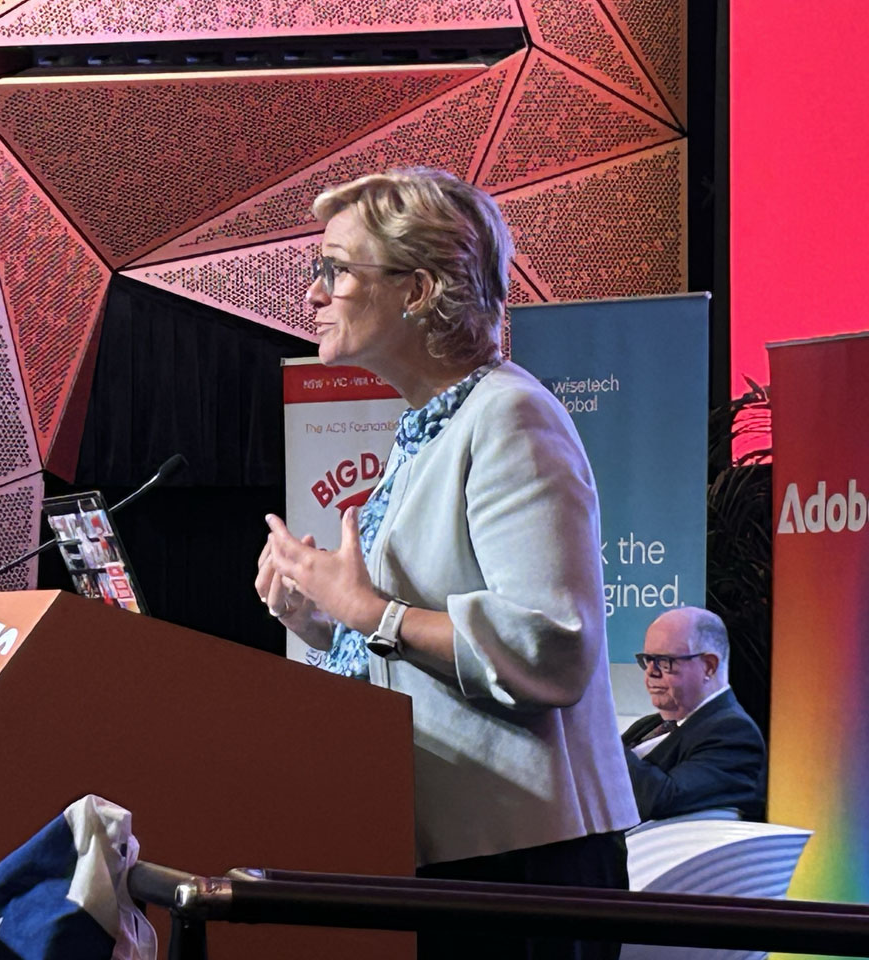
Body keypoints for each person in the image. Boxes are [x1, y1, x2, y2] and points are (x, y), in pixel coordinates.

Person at [256, 169, 637, 959]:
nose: (313, 294)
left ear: (418, 289)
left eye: (336, 270)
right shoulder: (428, 428)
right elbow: (414, 644)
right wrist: (321, 618)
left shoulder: (511, 415)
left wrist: (370, 612)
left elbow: (551, 647)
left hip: (523, 866)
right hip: (450, 854)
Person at [623, 607, 766, 821]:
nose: (650, 672)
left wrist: (601, 742)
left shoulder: (734, 733)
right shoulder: (650, 724)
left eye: (664, 662)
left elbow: (664, 800)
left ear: (709, 666)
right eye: (647, 659)